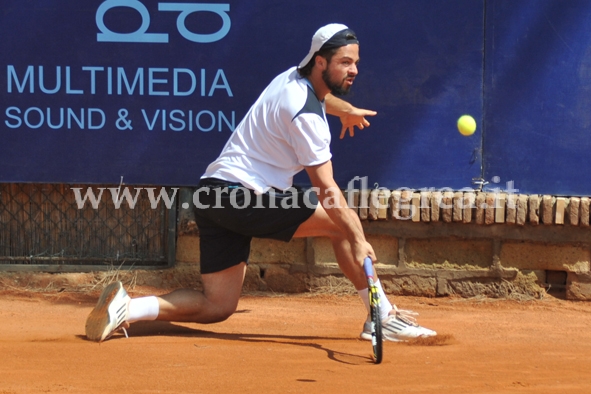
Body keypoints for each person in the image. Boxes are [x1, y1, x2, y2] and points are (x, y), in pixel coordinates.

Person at [85, 23, 436, 343]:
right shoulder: (307, 117)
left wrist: (343, 109)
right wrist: (358, 240)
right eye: (345, 62)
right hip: (242, 198)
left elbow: (323, 97)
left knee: (217, 305)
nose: (354, 70)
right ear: (320, 62)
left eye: (355, 62)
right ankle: (384, 317)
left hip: (211, 196)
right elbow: (327, 190)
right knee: (341, 223)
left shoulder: (289, 79)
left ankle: (127, 309)